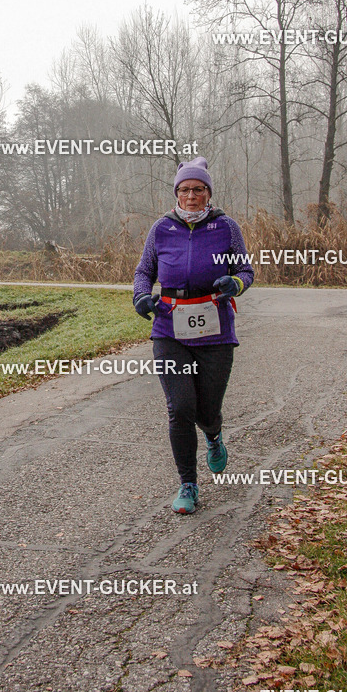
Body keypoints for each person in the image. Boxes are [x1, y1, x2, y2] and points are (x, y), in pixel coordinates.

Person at [133, 156, 253, 514]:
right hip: (169, 327)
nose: (191, 196)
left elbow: (245, 270)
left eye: (198, 189)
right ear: (176, 193)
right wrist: (141, 296)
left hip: (215, 329)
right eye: (184, 189)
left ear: (208, 193)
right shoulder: (161, 228)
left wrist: (235, 283)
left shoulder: (226, 227)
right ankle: (188, 484)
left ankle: (213, 434)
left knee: (207, 409)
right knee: (180, 407)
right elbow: (144, 271)